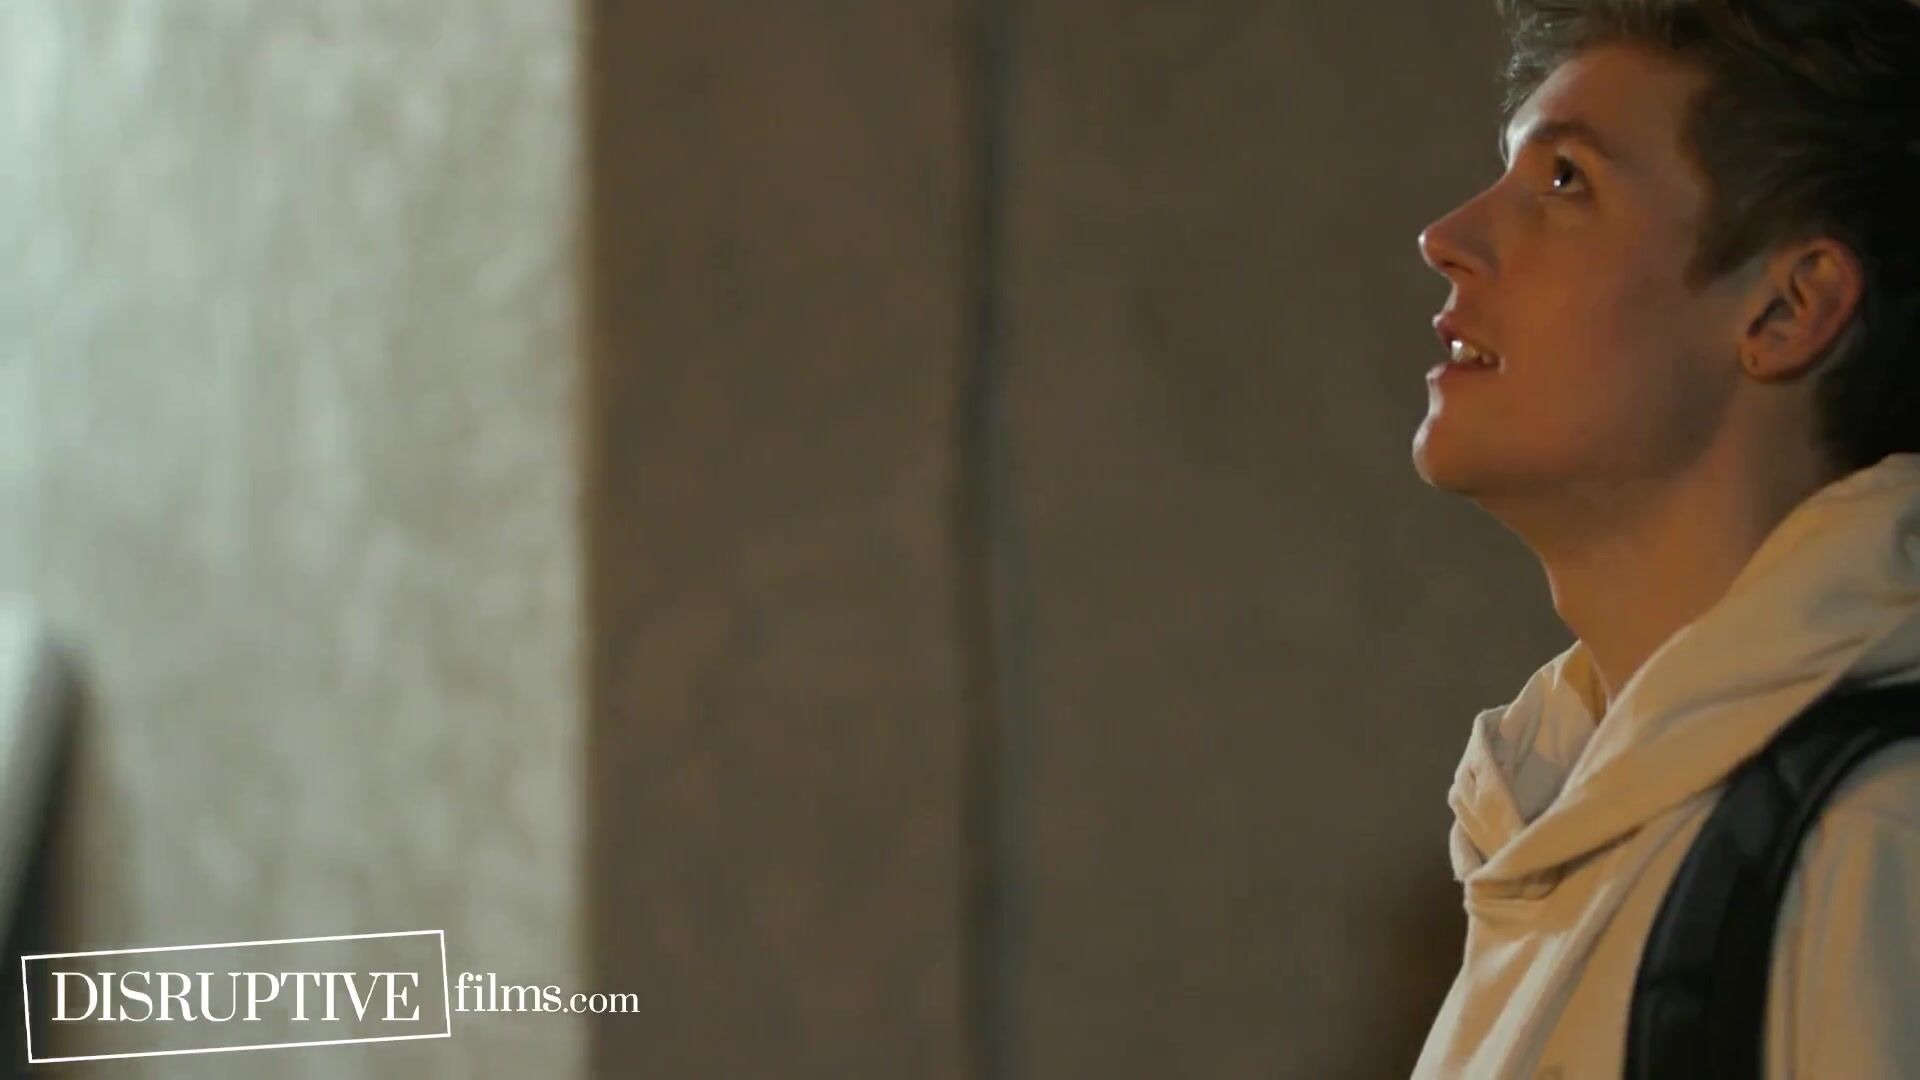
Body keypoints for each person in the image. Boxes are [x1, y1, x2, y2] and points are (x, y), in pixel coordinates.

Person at [1408, 0, 1920, 1075]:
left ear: (1788, 310)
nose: (1445, 238)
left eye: (1565, 181)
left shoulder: (1870, 842)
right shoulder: (1548, 816)